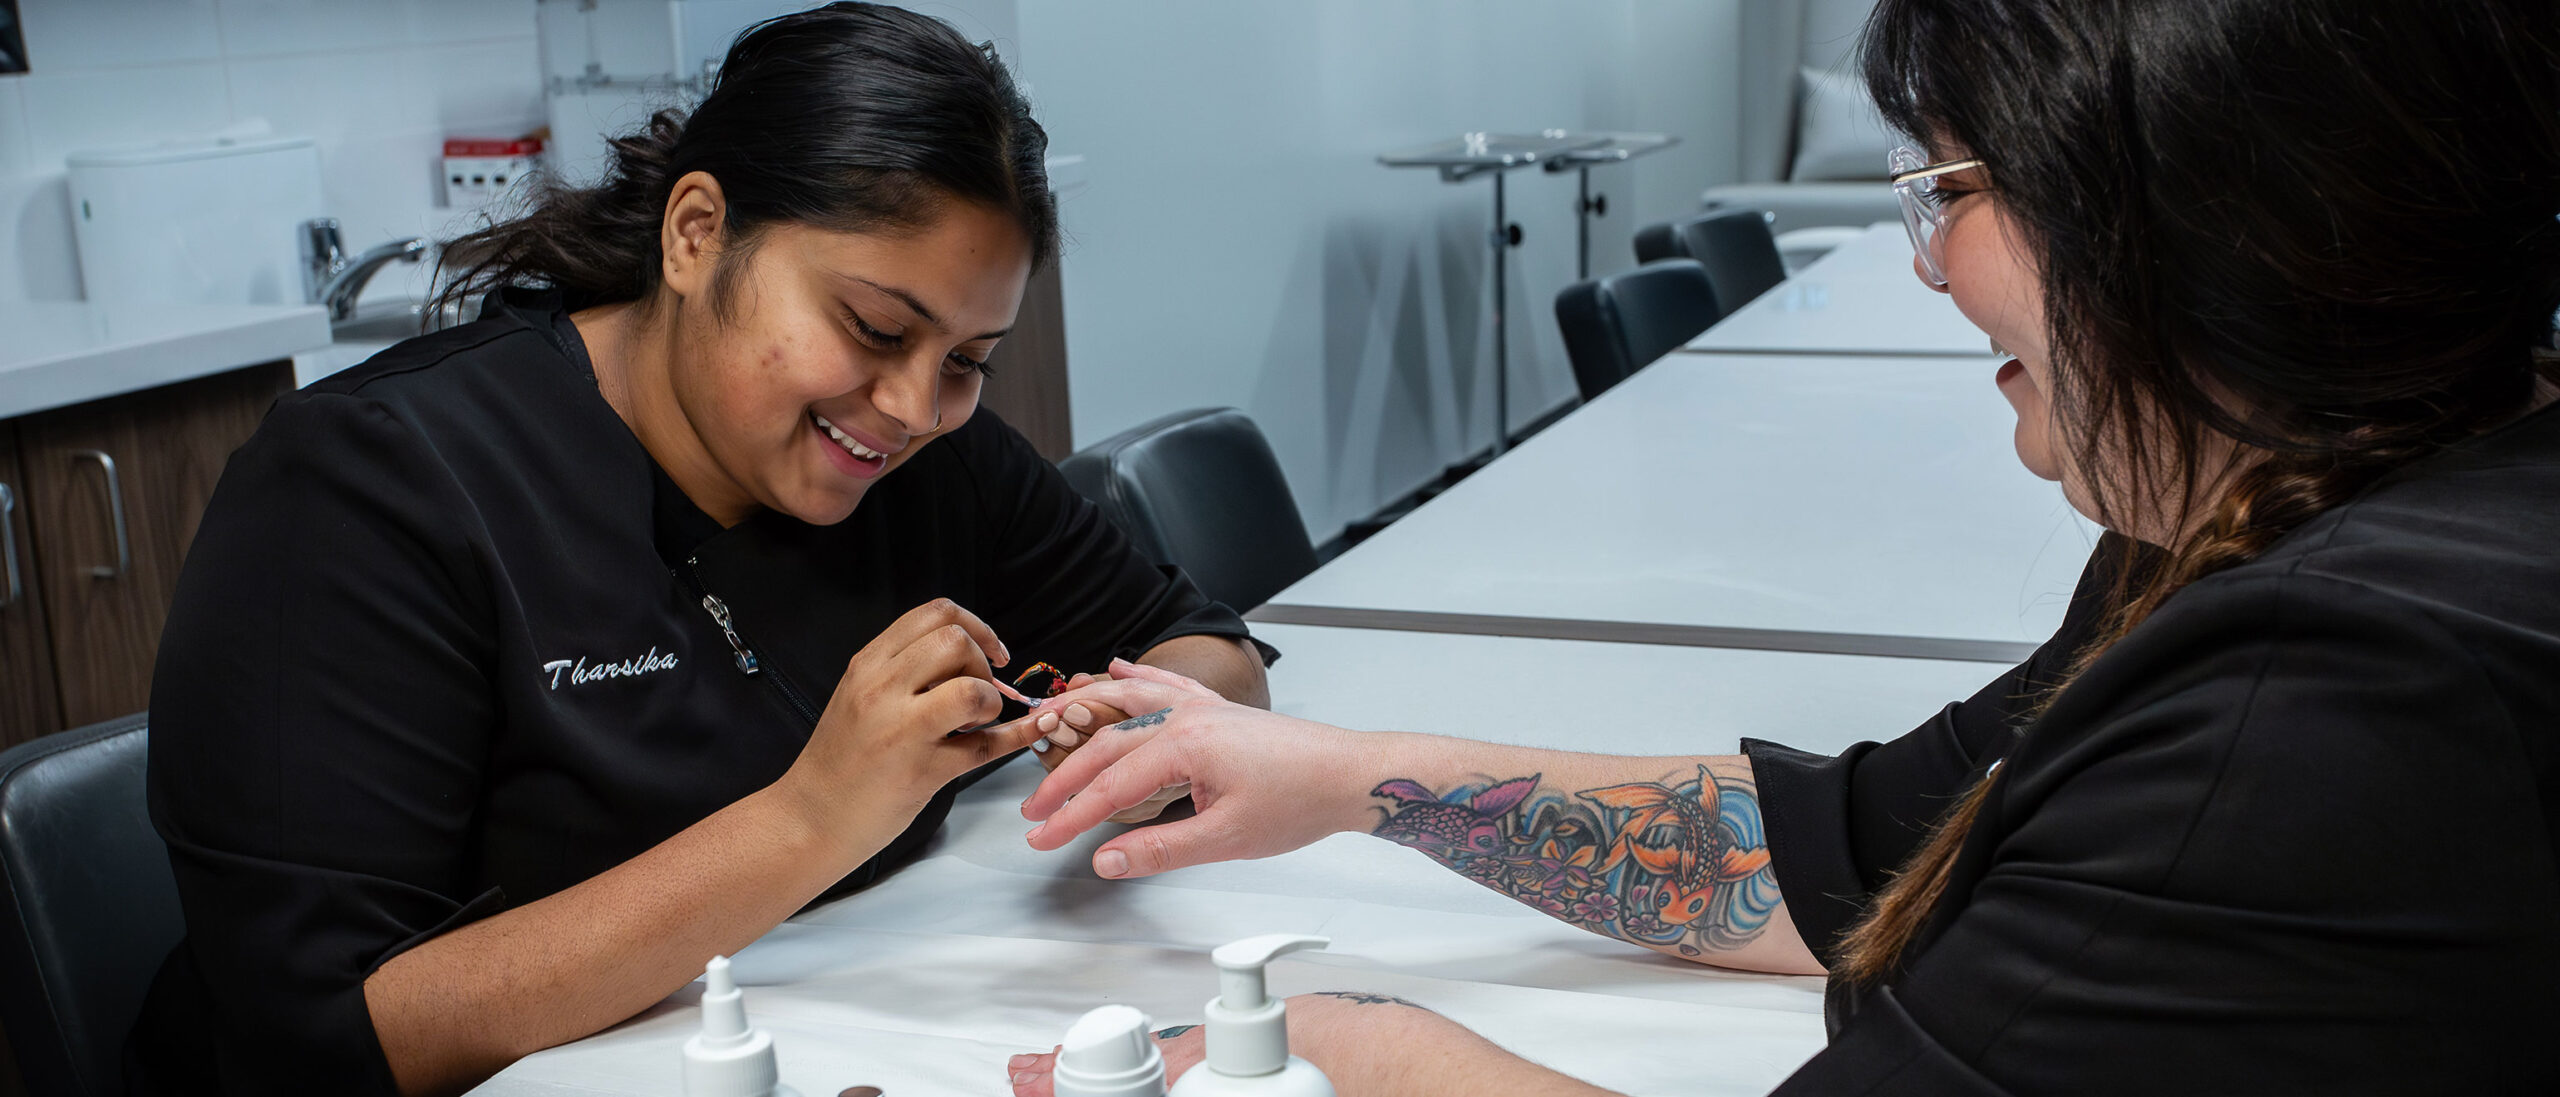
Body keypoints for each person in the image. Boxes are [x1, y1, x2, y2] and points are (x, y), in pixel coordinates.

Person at [1002, 1, 2560, 1093]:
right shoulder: (2274, 504)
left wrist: (1354, 1045)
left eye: (1954, 188)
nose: (1932, 260)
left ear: (2197, 208)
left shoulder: (2330, 705)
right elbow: (1856, 853)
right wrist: (1350, 779)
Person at [128, 6, 1266, 1094]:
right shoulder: (376, 486)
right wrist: (814, 816)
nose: (915, 404)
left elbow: (1208, 648)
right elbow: (326, 1038)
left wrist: (1145, 734)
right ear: (695, 235)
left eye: (967, 357)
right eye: (874, 328)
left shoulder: (924, 459)